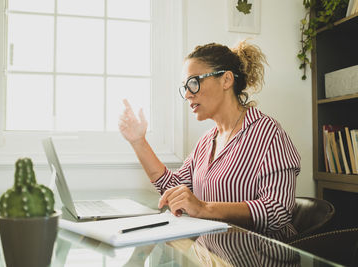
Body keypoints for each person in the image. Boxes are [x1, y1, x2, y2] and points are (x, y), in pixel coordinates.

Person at [118, 40, 301, 241]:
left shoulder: (268, 133)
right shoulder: (206, 141)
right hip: (216, 254)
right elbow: (175, 187)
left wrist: (204, 208)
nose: (187, 94)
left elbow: (278, 212)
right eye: (185, 87)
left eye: (194, 83)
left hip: (264, 256)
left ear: (226, 80)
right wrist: (138, 142)